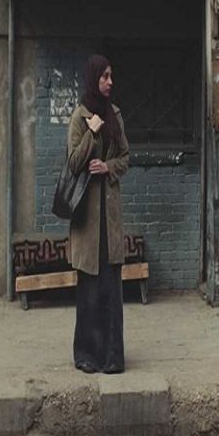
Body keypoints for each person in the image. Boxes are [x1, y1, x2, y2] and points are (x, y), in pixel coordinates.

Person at [66, 55, 130, 374]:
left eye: (111, 76)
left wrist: (108, 167)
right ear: (94, 79)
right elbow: (73, 163)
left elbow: (126, 157)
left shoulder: (115, 115)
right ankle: (86, 355)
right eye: (104, 76)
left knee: (112, 288)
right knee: (89, 289)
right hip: (88, 218)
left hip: (110, 216)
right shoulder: (80, 117)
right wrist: (91, 134)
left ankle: (113, 356)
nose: (109, 82)